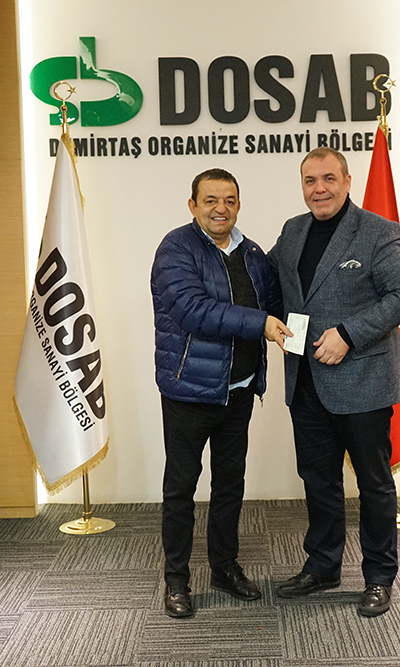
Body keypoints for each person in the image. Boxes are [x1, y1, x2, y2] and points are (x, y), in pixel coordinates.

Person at [268, 147, 400, 617]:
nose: (320, 189)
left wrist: (349, 335)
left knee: (374, 484)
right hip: (305, 381)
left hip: (363, 382)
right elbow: (271, 283)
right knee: (319, 481)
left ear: (347, 181)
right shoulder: (292, 231)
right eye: (310, 180)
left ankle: (379, 577)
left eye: (329, 179)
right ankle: (322, 567)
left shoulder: (377, 231)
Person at [151, 167, 291, 618]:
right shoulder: (176, 248)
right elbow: (193, 310)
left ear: (238, 205)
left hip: (239, 391)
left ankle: (224, 567)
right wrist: (261, 323)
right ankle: (176, 580)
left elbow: (278, 305)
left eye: (229, 200)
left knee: (230, 484)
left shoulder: (252, 253)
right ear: (192, 205)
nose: (220, 208)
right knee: (181, 489)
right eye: (210, 200)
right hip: (189, 392)